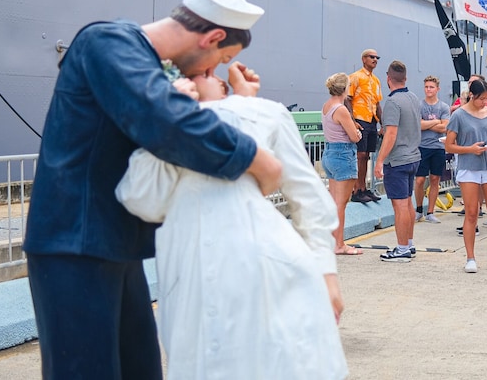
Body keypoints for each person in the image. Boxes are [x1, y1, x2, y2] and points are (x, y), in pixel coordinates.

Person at [23, 0, 281, 379]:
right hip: (74, 241)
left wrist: (239, 103)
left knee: (139, 369)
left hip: (113, 242)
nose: (211, 73)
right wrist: (256, 159)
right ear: (211, 37)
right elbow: (166, 123)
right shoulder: (106, 42)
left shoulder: (139, 63)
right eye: (219, 59)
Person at [116, 73, 348, 379]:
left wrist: (327, 274)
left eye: (211, 73)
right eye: (192, 73)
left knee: (276, 360)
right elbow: (140, 198)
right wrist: (171, 117)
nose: (207, 74)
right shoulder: (166, 124)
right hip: (193, 268)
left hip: (265, 263)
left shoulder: (263, 112)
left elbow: (309, 198)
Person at [445, 79, 487, 272]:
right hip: (469, 167)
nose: (485, 102)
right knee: (471, 212)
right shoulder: (459, 116)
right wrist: (470, 150)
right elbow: (449, 145)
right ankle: (470, 258)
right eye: (482, 99)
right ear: (472, 96)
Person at [374, 61, 422, 262]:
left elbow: (391, 134)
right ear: (406, 78)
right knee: (407, 203)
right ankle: (408, 244)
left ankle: (402, 248)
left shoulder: (393, 103)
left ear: (388, 78)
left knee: (400, 205)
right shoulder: (413, 98)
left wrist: (379, 160)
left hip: (397, 160)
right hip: (413, 156)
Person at [322, 72, 364, 255]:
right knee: (341, 203)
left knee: (334, 202)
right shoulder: (341, 109)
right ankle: (339, 244)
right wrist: (358, 133)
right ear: (345, 88)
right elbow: (354, 137)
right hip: (343, 154)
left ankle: (332, 241)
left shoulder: (327, 106)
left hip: (329, 153)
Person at [348, 49, 383, 203]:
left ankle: (363, 187)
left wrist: (383, 123)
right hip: (360, 118)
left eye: (377, 57)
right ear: (364, 59)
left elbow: (378, 103)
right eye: (372, 57)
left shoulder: (376, 80)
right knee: (360, 155)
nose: (375, 59)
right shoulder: (355, 77)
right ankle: (356, 189)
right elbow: (347, 99)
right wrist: (352, 120)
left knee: (367, 155)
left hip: (371, 120)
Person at [414, 75, 450, 224]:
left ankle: (431, 211)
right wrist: (436, 122)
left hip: (438, 147)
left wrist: (427, 123)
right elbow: (418, 125)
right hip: (422, 146)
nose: (428, 90)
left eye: (431, 87)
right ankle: (419, 209)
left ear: (437, 89)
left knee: (435, 179)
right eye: (426, 87)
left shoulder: (443, 107)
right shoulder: (419, 105)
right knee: (420, 179)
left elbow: (445, 127)